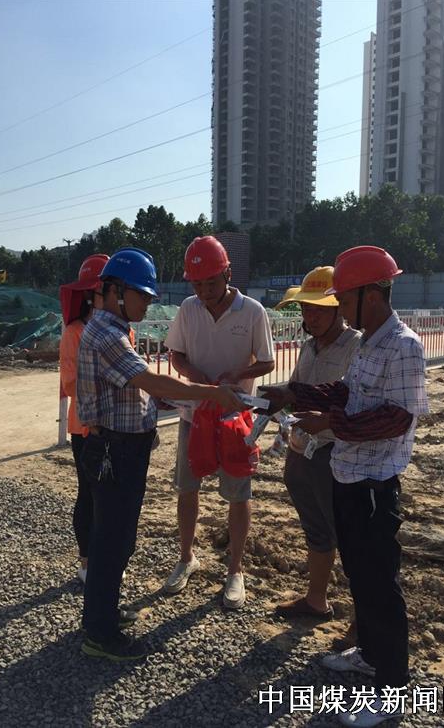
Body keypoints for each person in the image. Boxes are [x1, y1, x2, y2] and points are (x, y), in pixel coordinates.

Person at [260, 246, 428, 727]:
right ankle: (370, 656)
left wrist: (330, 423)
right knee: (359, 573)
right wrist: (294, 393)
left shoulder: (404, 346)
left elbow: (397, 419)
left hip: (374, 483)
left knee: (379, 584)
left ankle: (393, 690)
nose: (338, 307)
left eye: (344, 298)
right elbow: (345, 392)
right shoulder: (370, 343)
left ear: (370, 295)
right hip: (349, 476)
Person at [76, 247, 247, 662]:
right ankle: (99, 633)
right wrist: (211, 393)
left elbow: (138, 391)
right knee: (112, 541)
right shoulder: (107, 336)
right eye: (143, 295)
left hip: (120, 448)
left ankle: (103, 614)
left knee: (116, 539)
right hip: (115, 451)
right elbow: (151, 381)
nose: (148, 303)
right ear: (117, 291)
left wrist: (176, 399)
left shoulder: (111, 329)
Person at [163, 236, 275, 609]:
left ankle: (235, 570)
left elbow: (268, 361)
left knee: (238, 494)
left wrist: (237, 374)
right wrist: (195, 377)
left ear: (227, 275)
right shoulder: (188, 309)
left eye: (210, 282)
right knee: (187, 488)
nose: (203, 291)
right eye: (196, 284)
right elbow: (176, 354)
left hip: (234, 417)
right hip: (194, 415)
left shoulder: (253, 311)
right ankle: (186, 557)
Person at [273, 266, 360, 624]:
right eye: (307, 309)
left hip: (334, 454)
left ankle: (363, 622)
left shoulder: (356, 346)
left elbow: (354, 402)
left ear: (340, 307)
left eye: (320, 309)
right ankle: (316, 600)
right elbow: (296, 393)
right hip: (301, 450)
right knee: (316, 529)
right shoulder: (309, 347)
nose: (311, 316)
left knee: (351, 537)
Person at [59, 254, 108, 583]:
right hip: (86, 426)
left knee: (110, 495)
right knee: (89, 492)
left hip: (115, 425)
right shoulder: (74, 332)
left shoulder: (123, 331)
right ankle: (87, 560)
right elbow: (71, 384)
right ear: (93, 295)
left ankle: (106, 556)